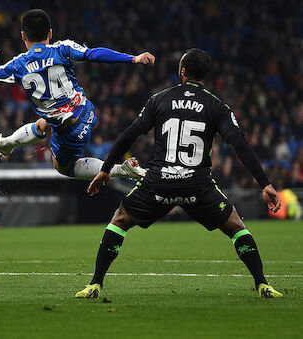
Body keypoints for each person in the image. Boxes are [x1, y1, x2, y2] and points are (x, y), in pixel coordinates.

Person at [75, 49, 283, 299]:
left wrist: (105, 170)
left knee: (119, 220)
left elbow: (129, 135)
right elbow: (240, 144)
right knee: (236, 226)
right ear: (204, 74)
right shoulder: (217, 106)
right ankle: (262, 285)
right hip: (198, 186)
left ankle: (95, 284)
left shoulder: (160, 99)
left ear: (182, 71)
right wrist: (265, 184)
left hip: (158, 184)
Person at [0, 9, 153, 180]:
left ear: (23, 36)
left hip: (69, 130)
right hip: (85, 111)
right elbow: (94, 54)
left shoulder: (18, 64)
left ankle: (121, 170)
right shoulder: (63, 48)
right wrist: (133, 58)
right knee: (44, 124)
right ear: (50, 33)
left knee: (64, 168)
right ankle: (8, 144)